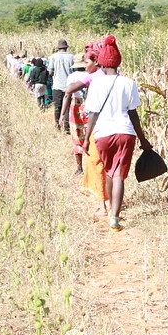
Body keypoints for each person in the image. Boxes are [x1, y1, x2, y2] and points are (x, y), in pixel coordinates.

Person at [82, 35, 152, 231]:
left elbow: (93, 114)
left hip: (103, 134)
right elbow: (133, 114)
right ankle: (115, 217)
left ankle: (111, 208)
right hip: (125, 133)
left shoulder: (96, 84)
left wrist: (87, 139)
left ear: (102, 63)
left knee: (109, 171)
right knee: (119, 174)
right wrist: (143, 139)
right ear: (118, 62)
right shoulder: (129, 83)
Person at [61, 49, 108, 213]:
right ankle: (113, 206)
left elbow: (68, 92)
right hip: (113, 126)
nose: (85, 66)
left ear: (95, 62)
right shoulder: (115, 77)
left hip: (92, 120)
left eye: (87, 62)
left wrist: (62, 116)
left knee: (95, 160)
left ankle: (102, 204)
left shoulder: (92, 78)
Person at [48, 39, 75, 133]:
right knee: (67, 106)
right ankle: (67, 127)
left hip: (57, 85)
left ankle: (57, 125)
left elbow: (50, 71)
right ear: (66, 47)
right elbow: (74, 71)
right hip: (69, 86)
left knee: (57, 106)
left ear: (58, 48)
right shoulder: (72, 57)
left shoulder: (53, 57)